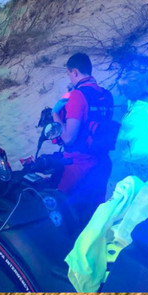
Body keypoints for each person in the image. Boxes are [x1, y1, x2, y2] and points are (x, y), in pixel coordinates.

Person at [53, 52, 115, 222]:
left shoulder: (77, 96)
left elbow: (68, 139)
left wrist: (55, 115)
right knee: (94, 216)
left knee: (64, 211)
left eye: (69, 74)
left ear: (74, 72)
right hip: (102, 163)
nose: (70, 79)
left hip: (78, 164)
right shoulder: (106, 95)